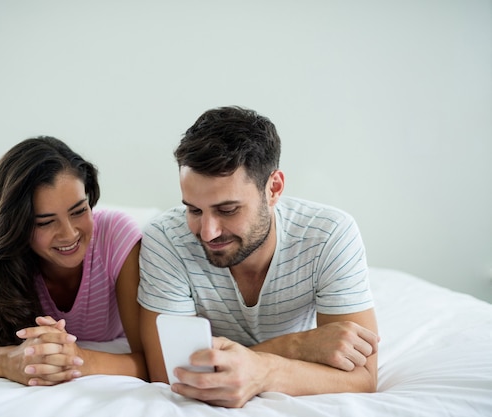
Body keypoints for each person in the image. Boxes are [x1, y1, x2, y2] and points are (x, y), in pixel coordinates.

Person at [137, 106, 379, 408]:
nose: (208, 232)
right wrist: (297, 346)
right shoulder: (166, 239)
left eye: (228, 210)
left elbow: (363, 377)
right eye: (194, 210)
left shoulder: (329, 235)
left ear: (273, 189)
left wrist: (262, 372)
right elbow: (172, 375)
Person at [0, 136, 147, 385]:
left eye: (79, 211)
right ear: (18, 226)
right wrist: (9, 361)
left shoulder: (116, 235)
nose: (69, 234)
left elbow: (151, 362)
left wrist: (76, 358)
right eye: (45, 222)